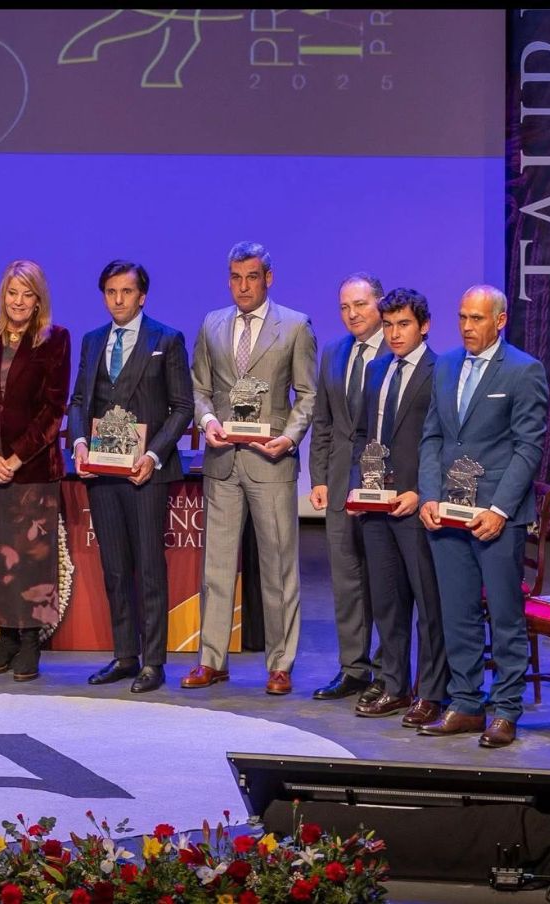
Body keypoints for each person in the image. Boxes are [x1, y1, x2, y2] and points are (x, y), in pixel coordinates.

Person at [183, 241, 317, 695]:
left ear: (268, 278)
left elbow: (308, 394)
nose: (243, 286)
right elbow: (198, 387)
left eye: (252, 277)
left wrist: (289, 437)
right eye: (236, 278)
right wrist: (206, 421)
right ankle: (212, 660)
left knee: (279, 567)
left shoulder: (295, 326)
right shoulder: (212, 324)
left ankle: (280, 664)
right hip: (223, 461)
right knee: (216, 568)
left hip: (271, 462)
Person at [418, 285, 547, 748]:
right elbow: (433, 437)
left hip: (497, 516)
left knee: (506, 618)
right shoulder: (447, 365)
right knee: (458, 615)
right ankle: (467, 704)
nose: (467, 326)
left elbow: (528, 446)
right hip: (448, 513)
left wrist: (499, 509)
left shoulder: (523, 370)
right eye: (462, 317)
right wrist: (429, 496)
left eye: (477, 318)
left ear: (500, 320)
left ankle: (506, 710)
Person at [67, 260, 192, 693]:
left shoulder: (167, 339)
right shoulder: (92, 341)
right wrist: (80, 444)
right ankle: (125, 655)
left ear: (142, 296)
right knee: (116, 569)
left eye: (126, 292)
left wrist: (154, 456)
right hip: (103, 473)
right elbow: (79, 401)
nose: (118, 299)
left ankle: (153, 663)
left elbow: (182, 408)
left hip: (146, 475)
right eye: (110, 292)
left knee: (150, 569)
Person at [0, 260, 71, 682]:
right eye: (13, 293)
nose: (19, 301)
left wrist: (15, 458)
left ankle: (30, 642)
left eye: (28, 294)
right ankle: (6, 636)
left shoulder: (55, 340)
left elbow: (53, 409)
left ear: (39, 298)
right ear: (2, 295)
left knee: (32, 561)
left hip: (33, 472)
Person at [350, 288, 449, 725]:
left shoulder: (441, 370)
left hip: (416, 505)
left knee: (428, 604)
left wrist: (423, 493)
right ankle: (394, 685)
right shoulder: (376, 370)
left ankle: (431, 692)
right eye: (388, 325)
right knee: (387, 601)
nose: (394, 333)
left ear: (423, 325)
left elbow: (447, 442)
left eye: (403, 324)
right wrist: (358, 487)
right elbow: (362, 436)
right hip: (375, 505)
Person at [307, 272, 389, 704]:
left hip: (382, 485)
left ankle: (387, 671)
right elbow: (323, 421)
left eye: (360, 304)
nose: (352, 313)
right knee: (346, 581)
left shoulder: (396, 352)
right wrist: (318, 477)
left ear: (379, 303)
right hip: (340, 483)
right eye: (344, 306)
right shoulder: (335, 353)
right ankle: (353, 669)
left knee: (382, 581)